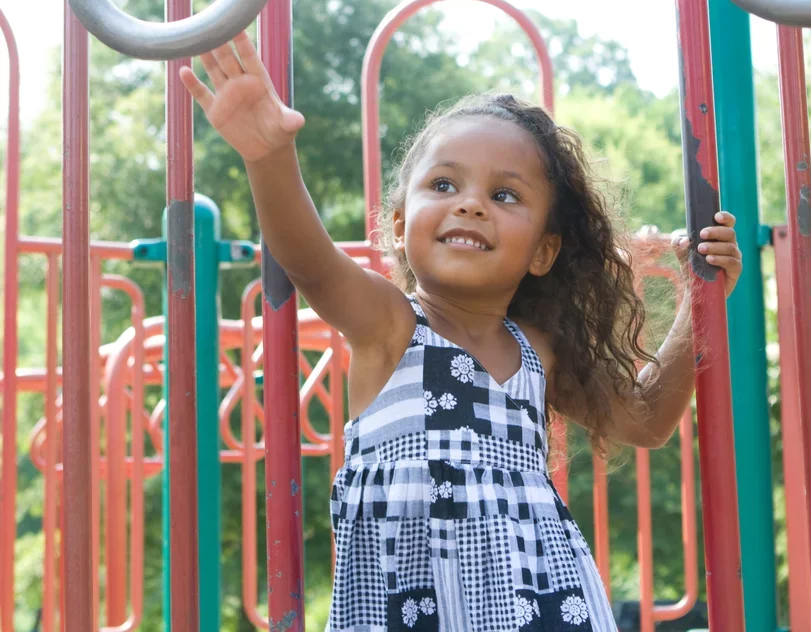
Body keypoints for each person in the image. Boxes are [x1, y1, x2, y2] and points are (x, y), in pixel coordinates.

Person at [180, 32, 742, 632]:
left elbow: (647, 417)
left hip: (543, 609)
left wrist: (702, 300)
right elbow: (310, 262)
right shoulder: (391, 326)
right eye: (444, 185)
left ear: (544, 250)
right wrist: (268, 156)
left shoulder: (537, 353)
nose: (470, 205)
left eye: (504, 195)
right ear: (399, 226)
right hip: (415, 609)